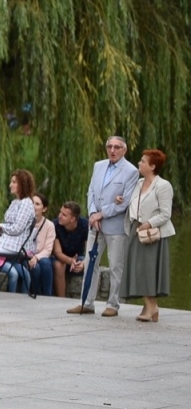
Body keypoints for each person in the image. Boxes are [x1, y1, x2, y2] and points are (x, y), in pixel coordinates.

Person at [71, 136, 139, 317]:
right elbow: (91, 191)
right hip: (95, 225)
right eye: (109, 146)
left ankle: (113, 304)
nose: (113, 150)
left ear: (124, 150)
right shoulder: (98, 166)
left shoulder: (131, 171)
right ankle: (86, 302)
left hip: (116, 226)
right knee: (90, 264)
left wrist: (103, 213)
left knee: (116, 266)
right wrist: (93, 214)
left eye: (117, 147)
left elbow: (125, 202)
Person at [123, 149, 174, 323]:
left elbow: (166, 213)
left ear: (152, 166)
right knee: (138, 269)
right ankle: (151, 307)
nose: (139, 163)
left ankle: (151, 308)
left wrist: (149, 223)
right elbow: (135, 204)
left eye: (143, 161)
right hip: (136, 230)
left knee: (148, 270)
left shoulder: (163, 186)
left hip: (152, 234)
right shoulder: (138, 183)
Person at [13, 194, 58, 296]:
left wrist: (36, 257)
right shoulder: (23, 222)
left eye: (37, 204)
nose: (33, 206)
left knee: (46, 263)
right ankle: (36, 293)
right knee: (35, 268)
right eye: (32, 203)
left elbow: (48, 249)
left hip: (41, 255)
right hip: (24, 256)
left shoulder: (49, 225)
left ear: (44, 209)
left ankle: (47, 295)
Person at [51, 201, 89, 300]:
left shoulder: (85, 225)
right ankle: (61, 299)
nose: (59, 216)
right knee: (59, 265)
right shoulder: (55, 225)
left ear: (72, 219)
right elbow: (57, 252)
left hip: (78, 256)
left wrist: (84, 263)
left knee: (91, 265)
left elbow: (90, 249)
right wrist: (70, 261)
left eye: (64, 215)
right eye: (60, 212)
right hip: (61, 257)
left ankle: (87, 300)